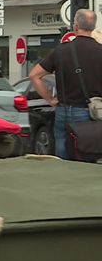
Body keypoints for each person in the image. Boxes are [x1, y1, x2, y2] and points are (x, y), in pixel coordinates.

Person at [29, 9, 102, 159]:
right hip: (89, 112)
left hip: (63, 110)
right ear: (94, 28)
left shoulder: (60, 51)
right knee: (86, 151)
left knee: (62, 151)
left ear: (75, 26)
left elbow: (34, 75)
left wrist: (50, 99)